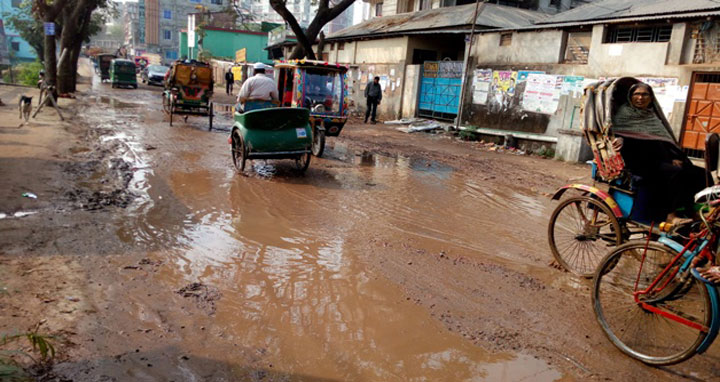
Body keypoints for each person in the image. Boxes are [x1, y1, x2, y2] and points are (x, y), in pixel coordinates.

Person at [611, 82, 710, 223]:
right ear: (630, 97)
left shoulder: (651, 116)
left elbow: (662, 141)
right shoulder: (623, 115)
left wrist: (672, 157)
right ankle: (670, 216)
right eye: (636, 94)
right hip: (637, 161)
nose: (640, 98)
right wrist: (620, 139)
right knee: (675, 173)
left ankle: (691, 210)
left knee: (699, 174)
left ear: (651, 98)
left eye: (645, 94)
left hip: (658, 159)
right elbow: (616, 134)